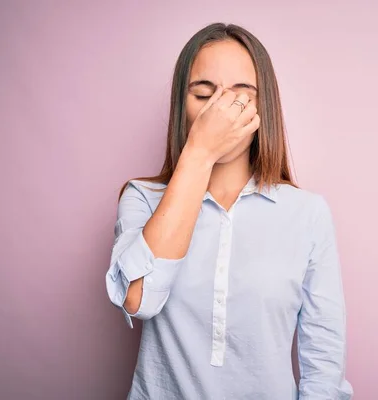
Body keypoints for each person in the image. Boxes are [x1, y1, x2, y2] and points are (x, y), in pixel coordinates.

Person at [105, 22, 353, 400]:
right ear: (181, 107)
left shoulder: (308, 214)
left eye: (240, 96)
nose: (221, 111)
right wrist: (200, 152)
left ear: (262, 107)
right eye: (204, 95)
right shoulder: (142, 197)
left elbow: (323, 363)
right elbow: (139, 300)